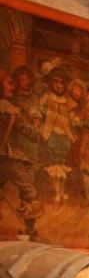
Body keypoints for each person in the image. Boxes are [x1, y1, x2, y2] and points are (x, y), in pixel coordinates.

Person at [0, 68, 43, 235]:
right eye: (10, 83)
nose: (13, 87)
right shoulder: (12, 111)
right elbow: (31, 134)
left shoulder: (12, 110)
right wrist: (38, 125)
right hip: (7, 157)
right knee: (28, 190)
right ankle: (30, 230)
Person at [38, 63, 77, 207]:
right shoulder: (47, 98)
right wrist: (36, 116)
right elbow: (39, 110)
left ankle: (61, 191)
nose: (59, 85)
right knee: (55, 166)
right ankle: (57, 195)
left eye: (62, 82)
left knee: (62, 165)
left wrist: (77, 122)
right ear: (50, 82)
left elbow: (73, 118)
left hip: (65, 137)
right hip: (52, 134)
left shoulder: (68, 101)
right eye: (56, 81)